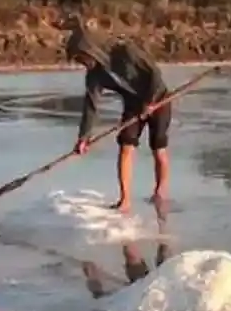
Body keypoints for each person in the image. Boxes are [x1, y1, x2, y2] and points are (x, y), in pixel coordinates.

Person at [66, 27, 171, 212]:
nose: (82, 63)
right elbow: (91, 105)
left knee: (158, 148)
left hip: (158, 98)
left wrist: (150, 102)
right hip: (133, 104)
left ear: (90, 49)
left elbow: (154, 73)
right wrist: (84, 137)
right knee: (125, 146)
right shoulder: (94, 76)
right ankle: (125, 200)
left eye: (81, 58)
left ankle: (160, 193)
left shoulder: (124, 52)